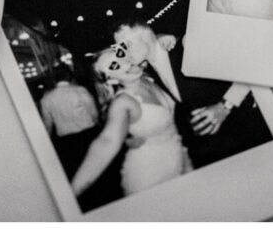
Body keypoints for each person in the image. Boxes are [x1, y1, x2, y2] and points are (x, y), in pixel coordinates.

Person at [112, 21, 272, 169]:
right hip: (219, 150)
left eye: (126, 44)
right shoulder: (146, 73)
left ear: (145, 35)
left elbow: (251, 65)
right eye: (120, 48)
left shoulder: (187, 43)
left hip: (252, 133)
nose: (124, 53)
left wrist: (225, 105)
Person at [70, 46, 191, 198]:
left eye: (120, 54)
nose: (124, 61)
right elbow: (108, 141)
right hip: (149, 172)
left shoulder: (150, 79)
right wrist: (71, 192)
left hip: (178, 155)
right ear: (111, 79)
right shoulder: (123, 102)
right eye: (115, 65)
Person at [39, 66, 100, 177]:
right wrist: (97, 124)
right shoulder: (80, 91)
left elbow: (48, 124)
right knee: (98, 166)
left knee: (79, 171)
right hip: (88, 134)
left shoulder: (46, 98)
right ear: (70, 76)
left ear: (54, 79)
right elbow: (93, 112)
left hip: (67, 142)